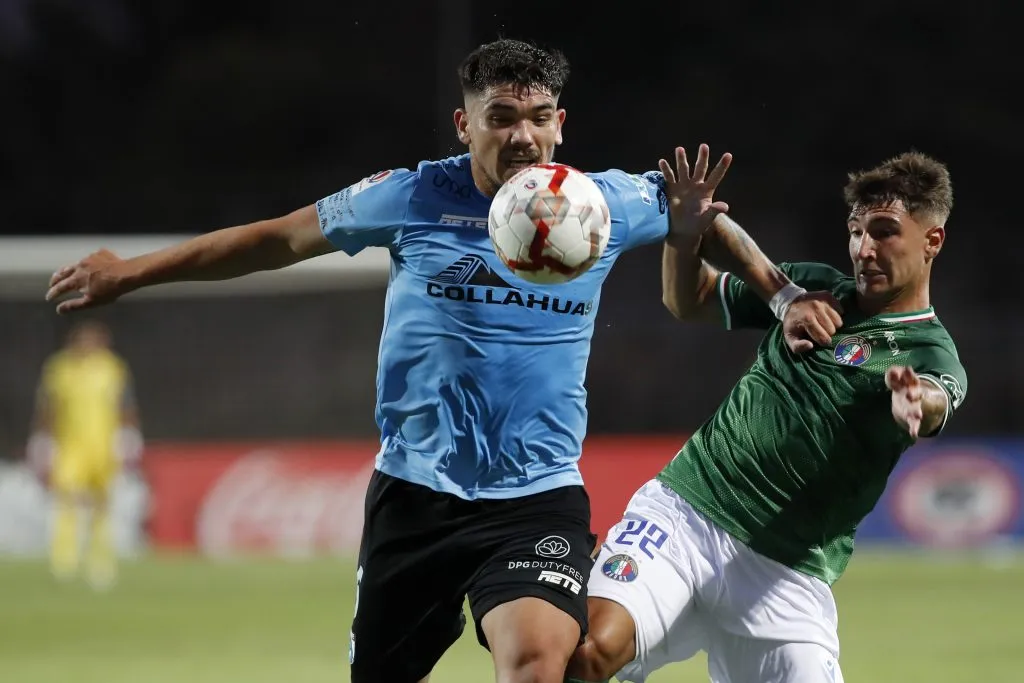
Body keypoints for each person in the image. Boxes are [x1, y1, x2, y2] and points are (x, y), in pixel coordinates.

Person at [45, 41, 832, 683]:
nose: (522, 135)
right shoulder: (412, 198)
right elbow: (276, 239)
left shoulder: (601, 204)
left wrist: (783, 292)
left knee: (539, 665)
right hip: (416, 494)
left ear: (561, 123)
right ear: (465, 124)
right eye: (501, 118)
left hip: (535, 496)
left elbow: (698, 215)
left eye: (538, 117)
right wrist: (133, 271)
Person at [565, 148, 967, 683]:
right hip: (685, 515)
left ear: (932, 240)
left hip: (786, 574)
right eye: (855, 232)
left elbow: (940, 396)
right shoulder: (814, 290)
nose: (863, 249)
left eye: (885, 231)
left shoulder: (930, 353)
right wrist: (684, 236)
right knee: (585, 654)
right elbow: (690, 299)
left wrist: (918, 401)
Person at [28, 320, 144, 590]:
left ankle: (100, 561)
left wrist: (128, 437)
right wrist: (42, 440)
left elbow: (124, 405)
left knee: (102, 505)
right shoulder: (59, 369)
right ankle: (64, 560)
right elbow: (48, 407)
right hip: (70, 446)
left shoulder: (112, 368)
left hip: (103, 446)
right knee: (66, 500)